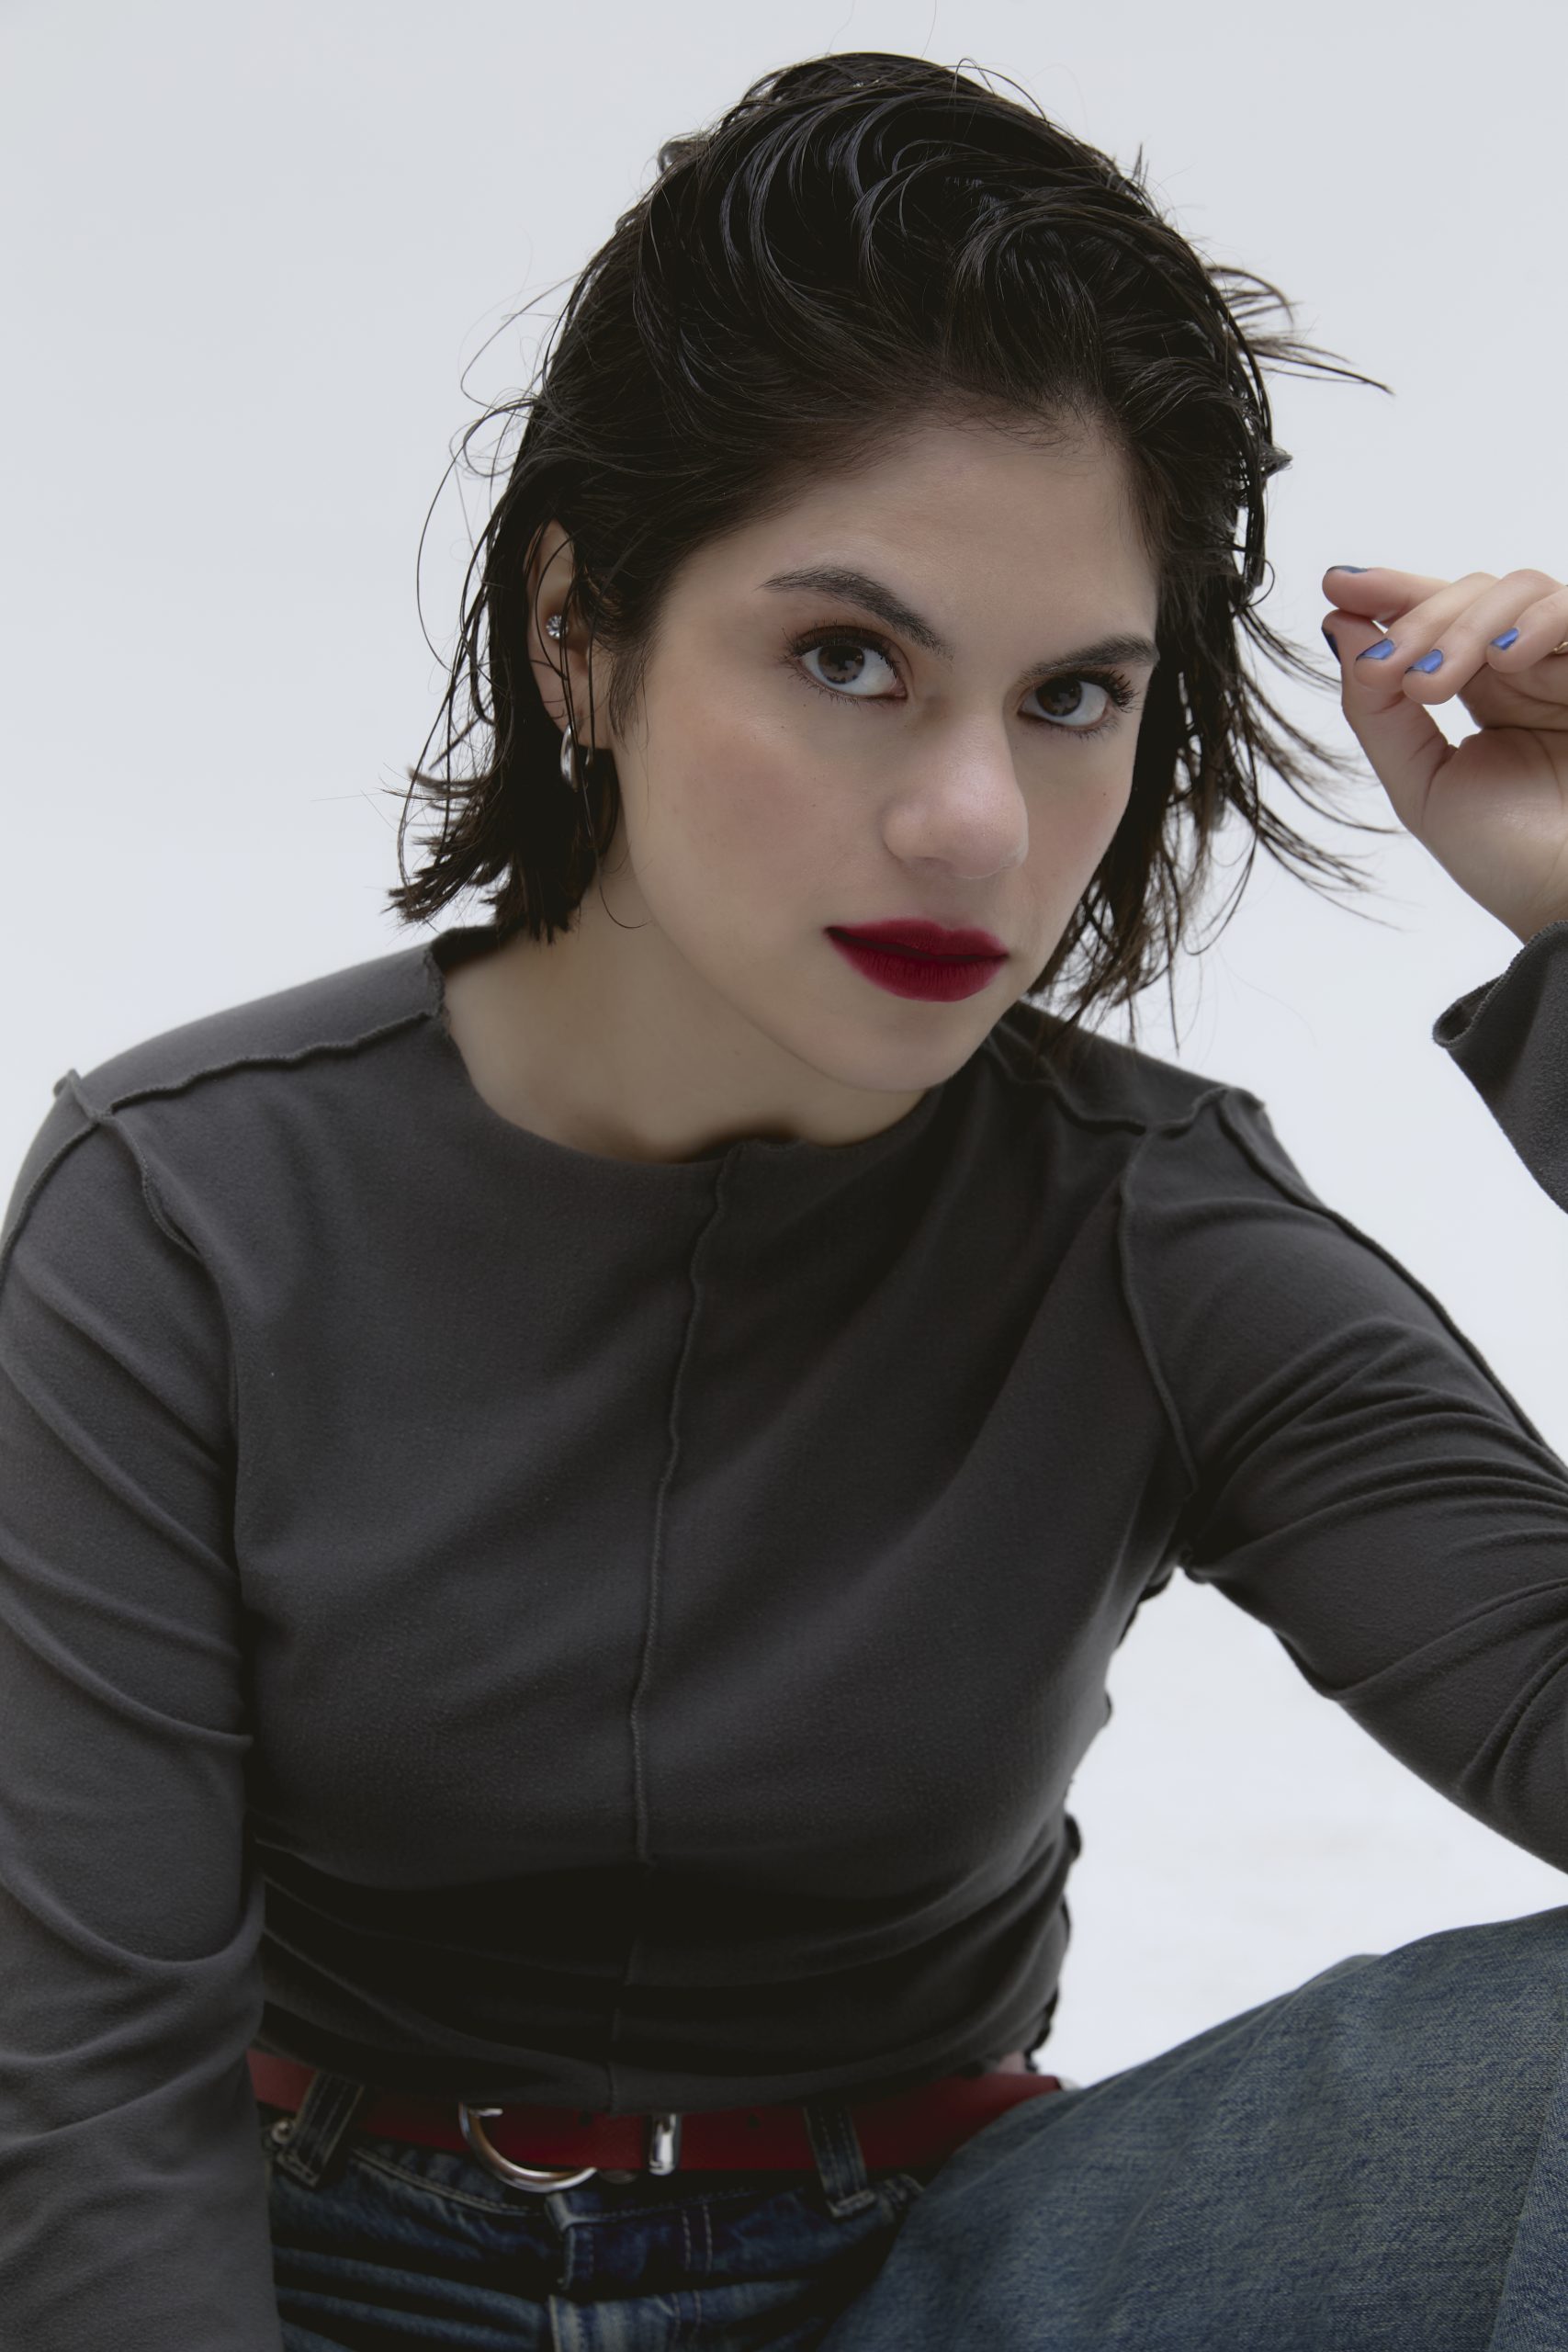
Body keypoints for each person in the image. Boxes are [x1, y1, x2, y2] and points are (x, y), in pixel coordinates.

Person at [3, 46, 1567, 2352]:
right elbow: (82, 2102)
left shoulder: (1153, 1235)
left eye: (1068, 697)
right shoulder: (186, 1208)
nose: (971, 823)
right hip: (298, 2271)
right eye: (848, 659)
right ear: (579, 629)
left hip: (930, 2285)